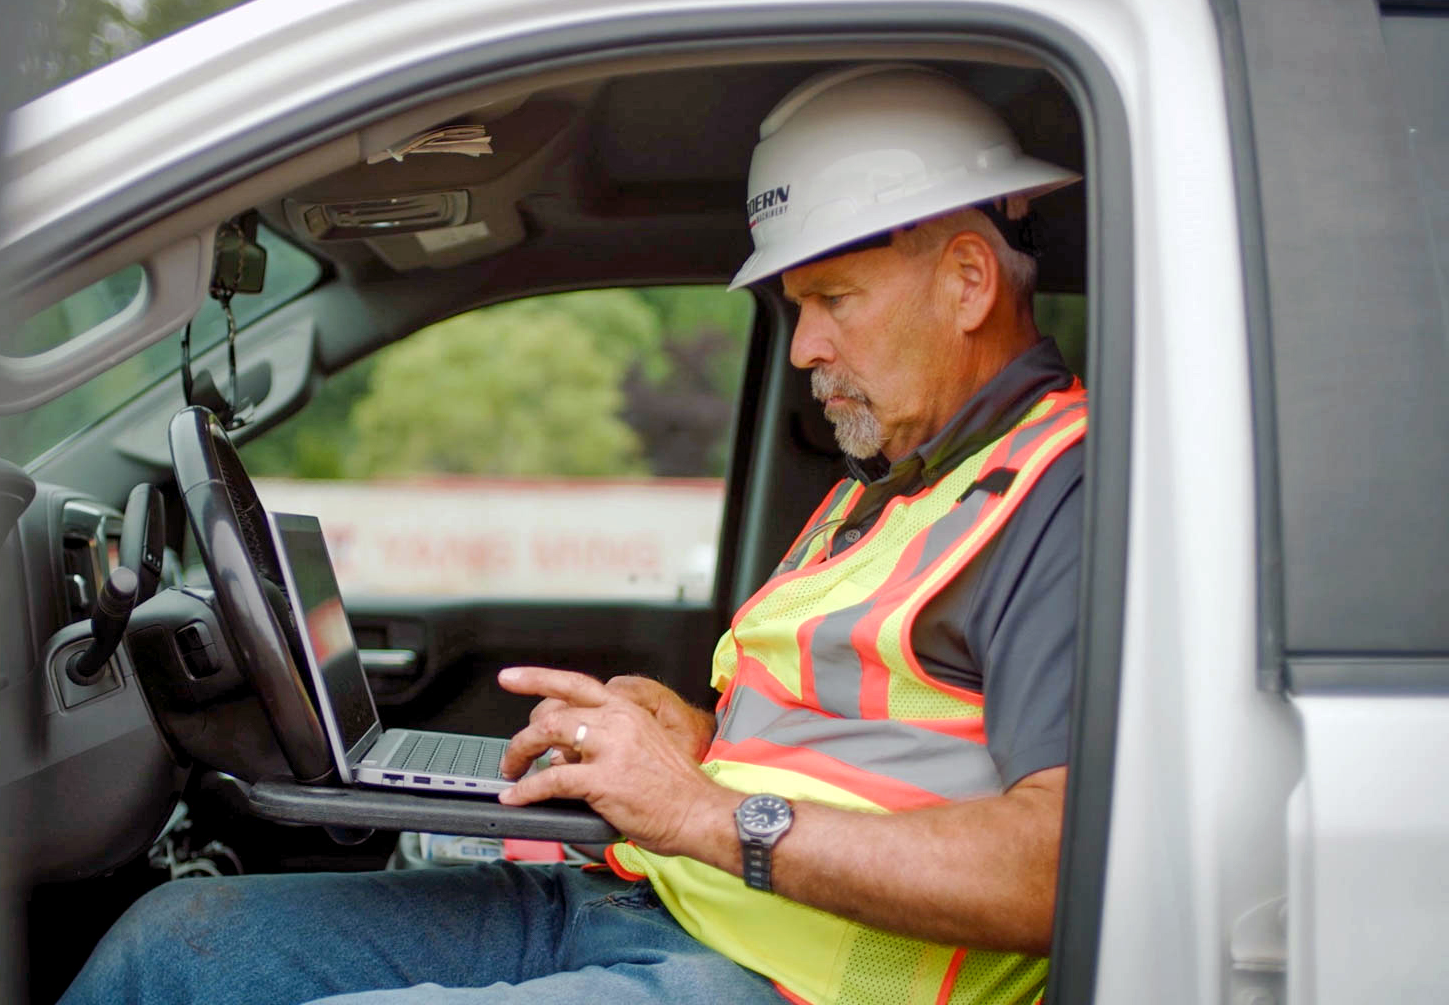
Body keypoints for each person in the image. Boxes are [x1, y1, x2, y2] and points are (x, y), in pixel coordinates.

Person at [60, 63, 1085, 1005]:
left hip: (784, 981)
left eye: (832, 301)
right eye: (795, 305)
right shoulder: (896, 481)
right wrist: (696, 738)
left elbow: (1055, 868)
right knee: (175, 943)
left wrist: (697, 811)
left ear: (967, 281)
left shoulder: (1061, 493)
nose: (806, 345)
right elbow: (860, 740)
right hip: (655, 899)